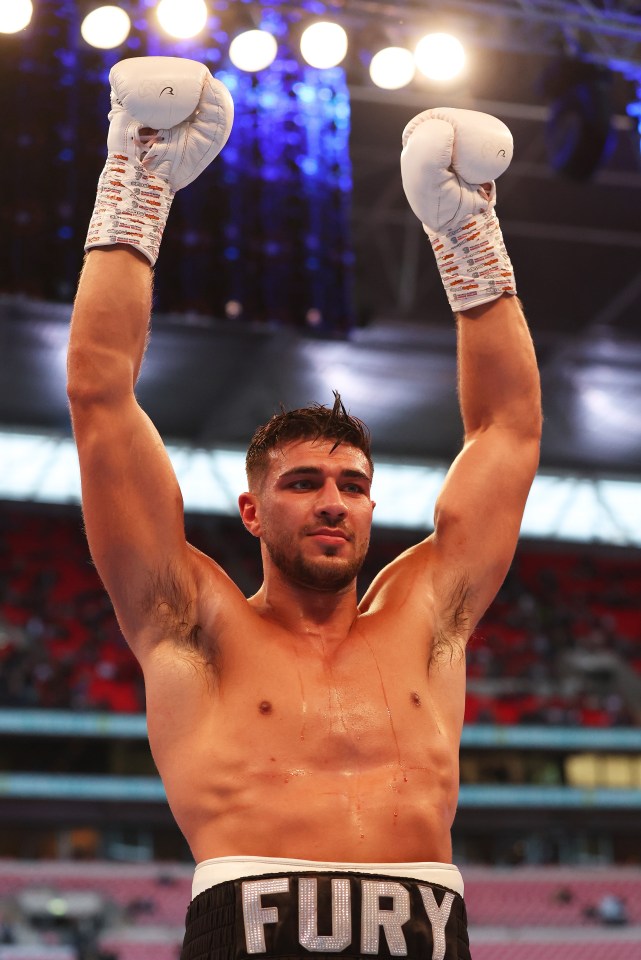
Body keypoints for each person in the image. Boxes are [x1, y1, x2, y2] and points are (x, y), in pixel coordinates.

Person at [67, 56, 542, 960]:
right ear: (251, 510)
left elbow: (508, 431)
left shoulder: (427, 615)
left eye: (352, 486)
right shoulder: (189, 620)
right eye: (303, 483)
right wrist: (136, 180)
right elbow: (100, 395)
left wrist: (468, 238)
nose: (333, 504)